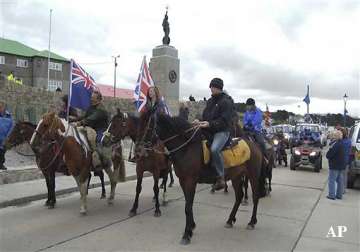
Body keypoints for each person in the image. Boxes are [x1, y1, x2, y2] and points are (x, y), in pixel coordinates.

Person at [194, 77, 232, 190]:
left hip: (222, 131)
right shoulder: (210, 101)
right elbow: (206, 116)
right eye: (211, 86)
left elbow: (224, 120)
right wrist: (199, 121)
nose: (211, 89)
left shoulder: (226, 102)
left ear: (219, 88)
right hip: (209, 130)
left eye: (213, 87)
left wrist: (209, 124)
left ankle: (221, 176)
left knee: (215, 149)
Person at [74, 91, 109, 168]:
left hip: (101, 130)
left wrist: (79, 123)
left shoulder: (101, 109)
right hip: (91, 128)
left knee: (99, 141)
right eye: (91, 97)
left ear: (98, 99)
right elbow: (85, 116)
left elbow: (92, 118)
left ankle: (102, 161)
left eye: (93, 98)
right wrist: (74, 119)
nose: (91, 99)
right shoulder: (91, 107)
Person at [326, 130, 346, 200]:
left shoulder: (335, 144)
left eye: (332, 135)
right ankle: (339, 195)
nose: (331, 137)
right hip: (341, 164)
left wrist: (327, 154)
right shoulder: (341, 143)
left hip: (334, 165)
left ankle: (331, 195)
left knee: (332, 180)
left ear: (335, 136)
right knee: (339, 180)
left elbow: (330, 154)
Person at [0, 101, 14, 170]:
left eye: (2, 106)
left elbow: (11, 127)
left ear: (4, 107)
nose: (1, 108)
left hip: (5, 138)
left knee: (2, 152)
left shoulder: (9, 116)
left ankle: (1, 164)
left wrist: (7, 137)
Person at [339, 128, 351, 194]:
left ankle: (340, 189)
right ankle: (343, 189)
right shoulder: (349, 141)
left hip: (341, 160)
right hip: (346, 160)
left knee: (340, 175)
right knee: (344, 175)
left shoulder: (341, 142)